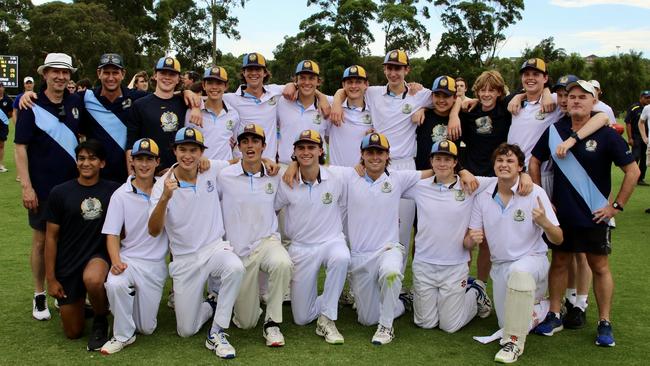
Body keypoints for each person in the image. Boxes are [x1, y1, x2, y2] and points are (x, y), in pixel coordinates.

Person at [530, 80, 639, 347]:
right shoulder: (555, 130)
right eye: (571, 97)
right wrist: (542, 195)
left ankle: (604, 322)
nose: (576, 101)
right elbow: (534, 160)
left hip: (594, 215)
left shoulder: (607, 134)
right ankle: (555, 315)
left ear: (594, 102)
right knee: (559, 263)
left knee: (599, 267)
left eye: (582, 97)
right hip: (562, 215)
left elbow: (633, 171)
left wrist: (616, 207)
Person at [148, 127, 245, 359]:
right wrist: (165, 199)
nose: (188, 156)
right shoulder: (163, 184)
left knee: (235, 267)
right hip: (184, 258)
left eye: (194, 150)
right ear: (175, 151)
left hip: (214, 249)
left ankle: (218, 331)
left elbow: (240, 161)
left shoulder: (211, 169)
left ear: (201, 152)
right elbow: (153, 231)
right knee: (186, 330)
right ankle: (212, 304)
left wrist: (272, 163)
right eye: (183, 150)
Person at [406, 139, 515, 332]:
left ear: (456, 162)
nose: (442, 164)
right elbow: (389, 179)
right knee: (426, 323)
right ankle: (444, 300)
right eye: (438, 159)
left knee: (450, 326)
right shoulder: (419, 187)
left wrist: (525, 178)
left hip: (454, 265)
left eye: (447, 159)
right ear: (431, 161)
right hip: (424, 263)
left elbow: (504, 179)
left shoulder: (470, 185)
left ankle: (476, 292)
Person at [468, 143, 563, 363]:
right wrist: (474, 236)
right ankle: (545, 307)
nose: (504, 165)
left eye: (510, 161)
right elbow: (474, 230)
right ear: (493, 166)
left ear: (520, 167)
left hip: (532, 261)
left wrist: (545, 223)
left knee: (519, 274)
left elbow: (558, 237)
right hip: (501, 266)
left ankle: (513, 343)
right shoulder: (484, 195)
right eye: (500, 161)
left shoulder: (535, 193)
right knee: (506, 321)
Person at [14, 53, 85, 322]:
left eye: (65, 72)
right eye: (55, 71)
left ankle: (64, 289)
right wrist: (26, 187)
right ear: (44, 74)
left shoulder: (76, 102)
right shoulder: (30, 105)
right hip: (42, 188)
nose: (60, 76)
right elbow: (20, 148)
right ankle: (39, 293)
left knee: (69, 241)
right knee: (42, 241)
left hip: (73, 188)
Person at [217, 123, 291, 347]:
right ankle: (245, 307)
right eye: (245, 142)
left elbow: (278, 204)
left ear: (263, 146)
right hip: (238, 252)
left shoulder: (274, 175)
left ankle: (272, 323)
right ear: (238, 146)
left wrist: (282, 164)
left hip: (266, 242)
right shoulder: (224, 175)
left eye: (255, 141)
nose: (250, 146)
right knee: (246, 322)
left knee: (282, 262)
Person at [44, 140, 120, 350]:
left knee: (93, 279)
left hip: (97, 255)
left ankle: (100, 319)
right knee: (73, 332)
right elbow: (51, 237)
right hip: (68, 262)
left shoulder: (114, 191)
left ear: (102, 163)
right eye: (82, 158)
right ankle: (82, 306)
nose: (86, 163)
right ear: (76, 162)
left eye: (92, 158)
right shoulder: (60, 192)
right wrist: (51, 279)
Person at [275, 129, 349, 344]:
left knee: (342, 257)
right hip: (301, 247)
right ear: (295, 153)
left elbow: (364, 169)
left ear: (320, 150)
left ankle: (327, 319)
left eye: (311, 147)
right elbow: (272, 208)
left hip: (331, 241)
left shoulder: (337, 176)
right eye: (301, 148)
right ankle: (330, 301)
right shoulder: (286, 180)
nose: (306, 152)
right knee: (301, 317)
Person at [99, 138, 168, 354]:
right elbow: (111, 234)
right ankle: (122, 335)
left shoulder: (166, 190)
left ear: (157, 162)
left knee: (146, 328)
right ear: (132, 162)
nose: (144, 165)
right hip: (129, 260)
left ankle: (131, 315)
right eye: (139, 159)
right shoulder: (121, 195)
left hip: (155, 266)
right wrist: (116, 261)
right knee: (115, 284)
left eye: (149, 159)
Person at [126, 56, 201, 173]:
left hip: (179, 172)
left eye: (172, 74)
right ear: (155, 75)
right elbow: (131, 142)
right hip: (149, 173)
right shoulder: (140, 105)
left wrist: (195, 105)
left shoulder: (184, 103)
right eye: (163, 73)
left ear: (178, 79)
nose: (167, 77)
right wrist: (132, 176)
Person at [277, 60, 331, 166]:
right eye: (302, 78)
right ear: (295, 80)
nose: (306, 82)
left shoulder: (327, 105)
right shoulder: (282, 101)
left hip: (315, 169)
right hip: (285, 167)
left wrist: (321, 97)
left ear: (318, 81)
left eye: (311, 78)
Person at [185, 66, 240, 161]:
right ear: (203, 85)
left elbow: (235, 143)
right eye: (210, 83)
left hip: (225, 171)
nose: (214, 87)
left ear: (226, 86)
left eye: (219, 83)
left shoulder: (233, 114)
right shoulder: (192, 111)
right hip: (200, 170)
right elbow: (186, 143)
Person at [327, 65, 372, 167]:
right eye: (349, 82)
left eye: (358, 82)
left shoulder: (374, 111)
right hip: (336, 173)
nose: (353, 86)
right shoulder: (332, 105)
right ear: (343, 85)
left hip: (362, 174)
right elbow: (312, 93)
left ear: (366, 84)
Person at [414, 76, 458, 170]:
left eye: (446, 96)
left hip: (451, 178)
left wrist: (454, 114)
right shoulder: (422, 117)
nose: (441, 100)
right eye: (437, 95)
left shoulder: (460, 118)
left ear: (455, 97)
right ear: (432, 96)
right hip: (423, 177)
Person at [626, 90, 650, 185]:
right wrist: (630, 138)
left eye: (649, 98)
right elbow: (628, 123)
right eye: (646, 97)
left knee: (644, 158)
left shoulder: (648, 108)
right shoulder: (634, 108)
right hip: (636, 136)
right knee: (636, 156)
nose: (648, 99)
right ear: (641, 98)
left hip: (647, 137)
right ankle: (632, 176)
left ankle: (640, 179)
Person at [0, 81, 13, 172]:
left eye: (1, 86)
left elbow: (11, 112)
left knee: (1, 145)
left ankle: (0, 165)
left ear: (3, 88)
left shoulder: (7, 100)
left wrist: (5, 119)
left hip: (3, 126)